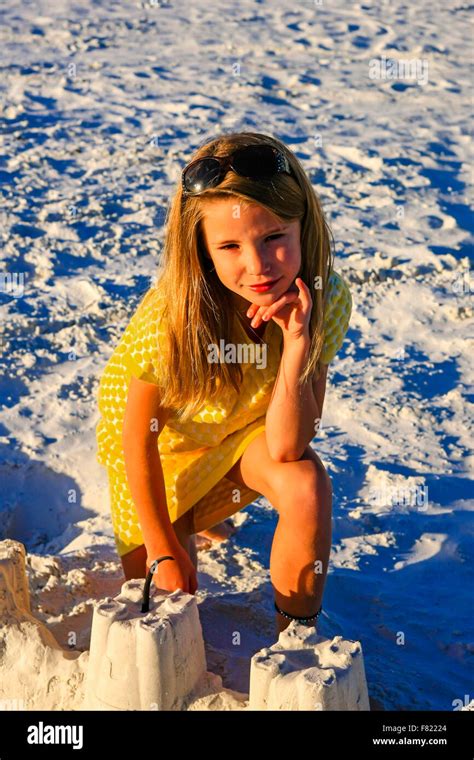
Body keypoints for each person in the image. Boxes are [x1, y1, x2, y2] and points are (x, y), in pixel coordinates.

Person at [95, 131, 352, 634]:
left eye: (275, 237)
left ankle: (294, 638)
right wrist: (163, 547)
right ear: (201, 250)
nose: (257, 266)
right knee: (168, 602)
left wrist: (297, 341)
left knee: (305, 483)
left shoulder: (325, 299)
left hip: (241, 434)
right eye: (230, 246)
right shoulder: (173, 316)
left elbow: (286, 445)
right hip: (163, 454)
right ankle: (189, 517)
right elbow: (136, 441)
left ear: (305, 227)